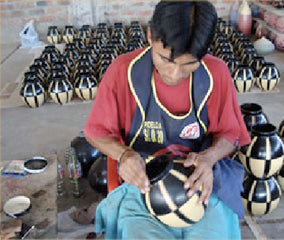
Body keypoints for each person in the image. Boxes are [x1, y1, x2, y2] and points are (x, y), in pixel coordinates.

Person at [84, 1, 251, 239]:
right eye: (165, 60)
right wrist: (124, 155)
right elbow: (96, 132)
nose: (174, 75)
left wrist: (209, 157)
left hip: (198, 180)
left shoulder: (216, 74)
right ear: (150, 35)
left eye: (188, 65)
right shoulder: (123, 72)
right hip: (144, 182)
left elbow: (231, 134)